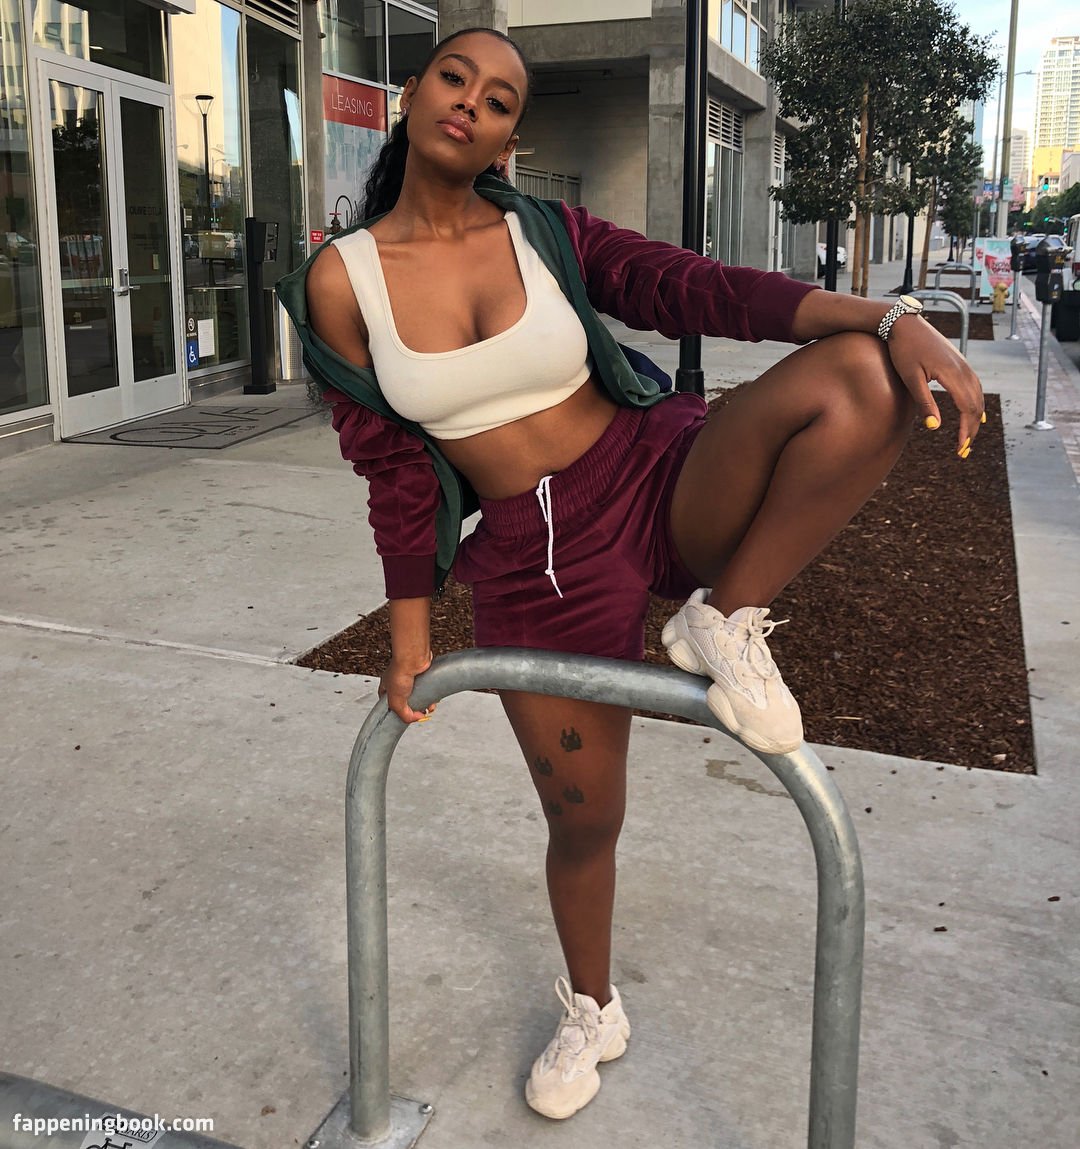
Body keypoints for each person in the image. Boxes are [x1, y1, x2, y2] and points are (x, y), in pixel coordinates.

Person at [277, 26, 984, 1122]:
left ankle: (725, 618)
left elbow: (700, 290)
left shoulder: (548, 234)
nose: (471, 103)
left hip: (654, 474)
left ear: (511, 138)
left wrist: (893, 316)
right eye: (456, 78)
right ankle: (593, 1009)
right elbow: (394, 471)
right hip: (533, 561)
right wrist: (410, 637)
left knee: (863, 378)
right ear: (411, 95)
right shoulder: (343, 280)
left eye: (500, 100)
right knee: (584, 818)